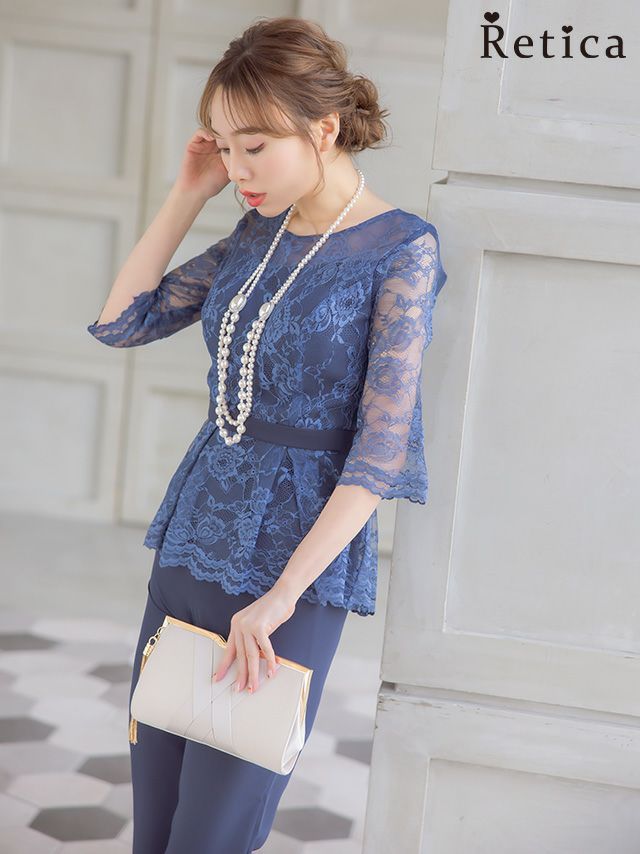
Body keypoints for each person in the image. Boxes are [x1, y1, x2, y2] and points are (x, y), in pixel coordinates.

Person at [87, 15, 447, 854]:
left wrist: (283, 595)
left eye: (253, 147)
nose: (237, 169)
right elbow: (123, 323)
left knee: (212, 834)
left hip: (289, 576)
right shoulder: (259, 230)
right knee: (155, 824)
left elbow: (380, 451)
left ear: (323, 129)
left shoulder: (403, 250)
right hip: (192, 544)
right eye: (223, 147)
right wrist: (188, 192)